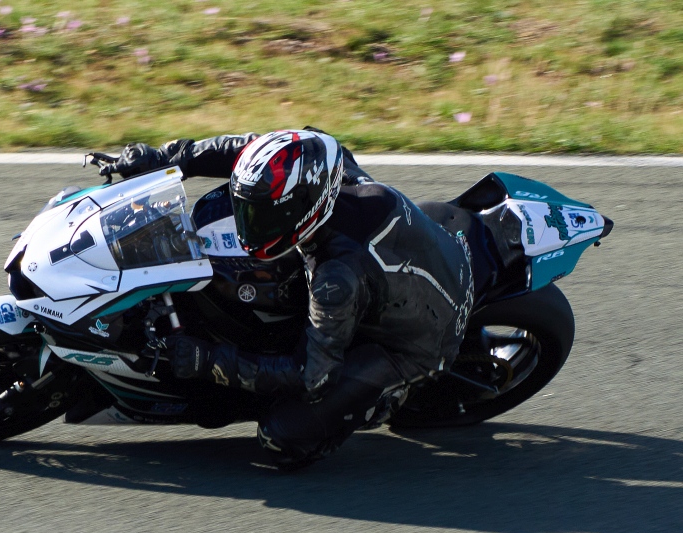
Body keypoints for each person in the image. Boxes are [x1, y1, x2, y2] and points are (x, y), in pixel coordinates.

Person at [102, 129, 481, 469]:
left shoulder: (335, 279)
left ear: (303, 210)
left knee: (281, 435)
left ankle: (387, 397)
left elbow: (310, 375)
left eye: (262, 215)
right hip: (416, 261)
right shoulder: (323, 163)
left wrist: (210, 361)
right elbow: (246, 151)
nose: (248, 222)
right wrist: (167, 157)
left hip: (417, 342)